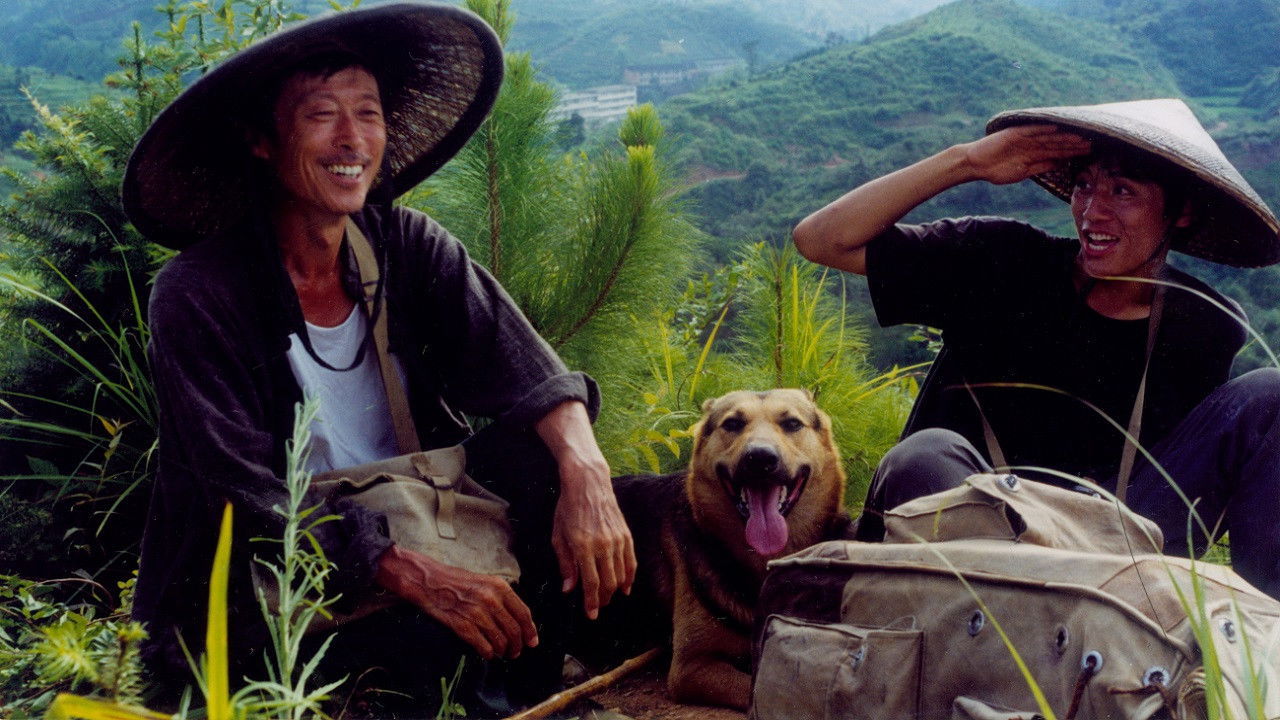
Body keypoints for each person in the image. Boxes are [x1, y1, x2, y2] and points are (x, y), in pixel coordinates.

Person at [120, 4, 635, 713]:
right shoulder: (200, 294)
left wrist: (589, 473)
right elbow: (243, 497)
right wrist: (416, 577)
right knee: (424, 658)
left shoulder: (404, 245)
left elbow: (534, 375)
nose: (351, 138)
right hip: (279, 578)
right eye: (321, 114)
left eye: (367, 112)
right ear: (262, 141)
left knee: (555, 463)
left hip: (409, 524)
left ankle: (531, 672)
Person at [792, 99, 1280, 598]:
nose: (1093, 211)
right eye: (1084, 185)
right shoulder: (1001, 260)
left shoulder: (1204, 324)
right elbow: (822, 240)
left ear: (1183, 212)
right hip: (967, 535)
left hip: (1102, 546)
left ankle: (1261, 638)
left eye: (1122, 191)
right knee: (925, 454)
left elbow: (1182, 482)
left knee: (1272, 395)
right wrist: (967, 162)